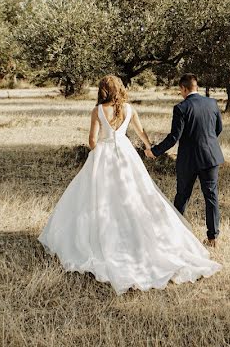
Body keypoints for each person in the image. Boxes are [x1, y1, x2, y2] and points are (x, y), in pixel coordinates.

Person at [38, 75, 220, 294]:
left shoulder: (97, 111)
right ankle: (206, 236)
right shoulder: (129, 109)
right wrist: (149, 148)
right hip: (127, 155)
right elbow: (141, 133)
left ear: (103, 90)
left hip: (104, 155)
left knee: (99, 198)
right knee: (137, 195)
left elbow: (92, 141)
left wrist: (100, 148)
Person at [147, 73, 225, 247]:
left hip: (188, 160)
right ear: (196, 86)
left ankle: (175, 234)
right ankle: (213, 238)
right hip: (210, 157)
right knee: (211, 196)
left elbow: (174, 137)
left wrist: (155, 151)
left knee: (182, 196)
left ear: (183, 88)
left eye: (180, 90)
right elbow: (218, 128)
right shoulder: (212, 103)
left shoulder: (181, 108)